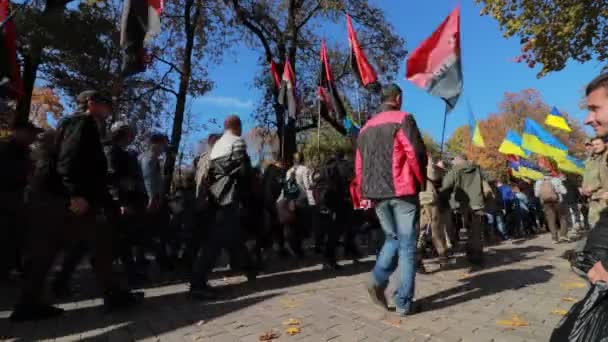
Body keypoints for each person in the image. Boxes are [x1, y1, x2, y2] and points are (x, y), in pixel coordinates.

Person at [11, 90, 139, 322]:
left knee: (51, 251)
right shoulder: (83, 122)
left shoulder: (76, 124)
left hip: (54, 196)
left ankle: (28, 304)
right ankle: (113, 295)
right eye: (106, 103)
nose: (109, 109)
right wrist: (75, 194)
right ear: (91, 104)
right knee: (97, 243)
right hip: (63, 197)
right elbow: (68, 159)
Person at [354, 83, 427, 316]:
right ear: (398, 98)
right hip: (402, 189)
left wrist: (365, 190)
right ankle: (404, 301)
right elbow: (415, 153)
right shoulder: (404, 118)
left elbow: (359, 164)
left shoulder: (365, 128)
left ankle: (376, 279)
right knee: (406, 246)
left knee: (392, 238)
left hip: (376, 193)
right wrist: (420, 181)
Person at [190, 115, 256, 299]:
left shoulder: (217, 146)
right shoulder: (237, 142)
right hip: (229, 198)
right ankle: (197, 283)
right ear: (238, 126)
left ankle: (249, 267)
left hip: (216, 197)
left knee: (233, 235)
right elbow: (243, 172)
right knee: (214, 242)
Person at [0, 119, 42, 282]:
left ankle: (11, 269)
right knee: (6, 237)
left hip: (17, 201)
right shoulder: (5, 149)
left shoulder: (25, 152)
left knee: (16, 238)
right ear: (18, 131)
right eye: (31, 133)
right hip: (6, 202)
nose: (33, 137)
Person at [440, 154, 487, 266]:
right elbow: (491, 178)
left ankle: (469, 253)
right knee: (476, 231)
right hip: (478, 203)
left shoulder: (455, 170)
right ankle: (476, 256)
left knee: (464, 228)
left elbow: (446, 185)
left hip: (462, 204)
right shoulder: (477, 168)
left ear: (457, 161)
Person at [534, 172, 569, 243]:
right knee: (562, 218)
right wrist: (557, 191)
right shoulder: (556, 180)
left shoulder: (538, 182)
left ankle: (554, 238)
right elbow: (564, 191)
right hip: (558, 201)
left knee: (551, 220)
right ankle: (563, 235)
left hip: (546, 203)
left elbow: (536, 194)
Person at [582, 136, 608, 228]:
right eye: (593, 145)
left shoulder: (605, 157)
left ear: (605, 144)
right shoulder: (591, 160)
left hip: (604, 197)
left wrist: (594, 186)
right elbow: (588, 177)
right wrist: (584, 189)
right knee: (595, 226)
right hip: (594, 198)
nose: (594, 147)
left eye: (597, 144)